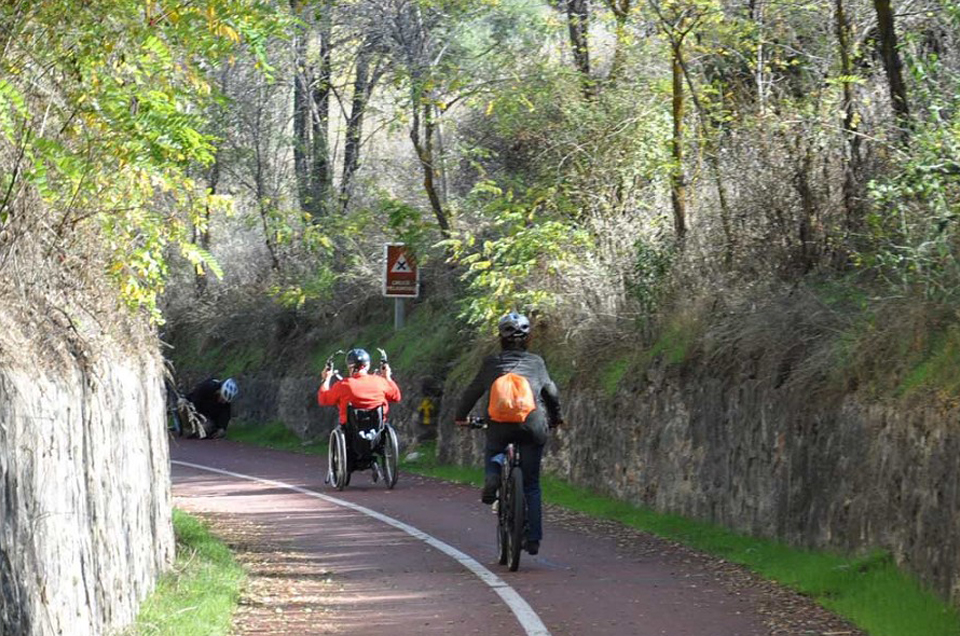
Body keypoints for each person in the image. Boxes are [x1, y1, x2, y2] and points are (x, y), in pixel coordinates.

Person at [455, 312, 562, 556]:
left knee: (494, 448)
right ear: (528, 339)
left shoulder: (491, 363)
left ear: (500, 338)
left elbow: (472, 391)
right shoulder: (536, 363)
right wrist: (556, 418)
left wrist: (460, 416)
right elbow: (551, 393)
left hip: (500, 424)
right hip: (532, 424)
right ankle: (533, 539)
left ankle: (493, 475)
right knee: (532, 485)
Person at [318, 348, 402, 476]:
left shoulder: (343, 385)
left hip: (351, 432)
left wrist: (326, 379)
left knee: (344, 426)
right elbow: (396, 396)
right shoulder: (380, 382)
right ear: (367, 365)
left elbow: (323, 399)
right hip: (377, 429)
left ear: (350, 367)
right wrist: (388, 377)